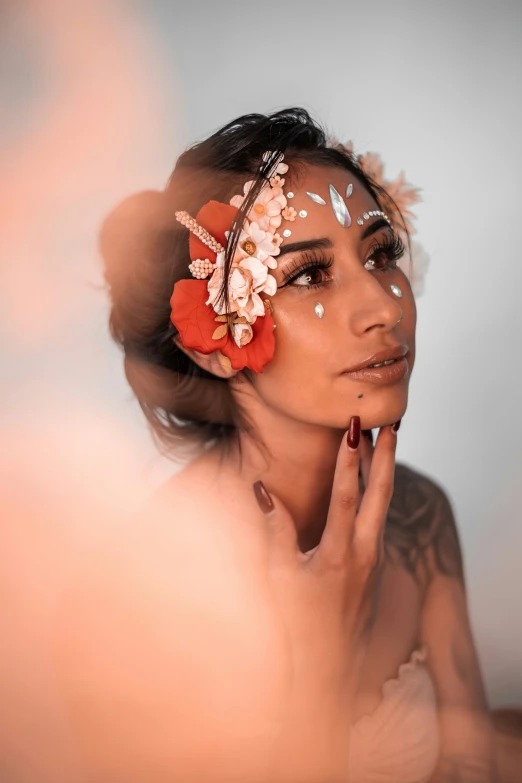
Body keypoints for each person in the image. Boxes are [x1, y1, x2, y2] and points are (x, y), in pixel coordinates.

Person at [64, 108, 500, 783]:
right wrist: (320, 667)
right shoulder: (141, 596)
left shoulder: (419, 519)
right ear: (211, 346)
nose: (385, 307)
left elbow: (473, 758)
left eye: (381, 254)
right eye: (308, 275)